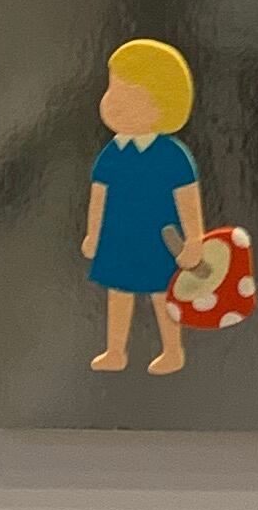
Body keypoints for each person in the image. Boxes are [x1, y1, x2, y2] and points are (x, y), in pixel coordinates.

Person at [81, 37, 209, 373]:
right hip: (119, 236)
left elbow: (187, 197)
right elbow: (99, 195)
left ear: (163, 105)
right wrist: (93, 235)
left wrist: (195, 239)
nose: (114, 103)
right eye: (112, 91)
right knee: (118, 292)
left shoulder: (172, 156)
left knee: (163, 293)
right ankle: (115, 351)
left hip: (160, 238)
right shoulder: (112, 153)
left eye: (128, 96)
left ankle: (173, 350)